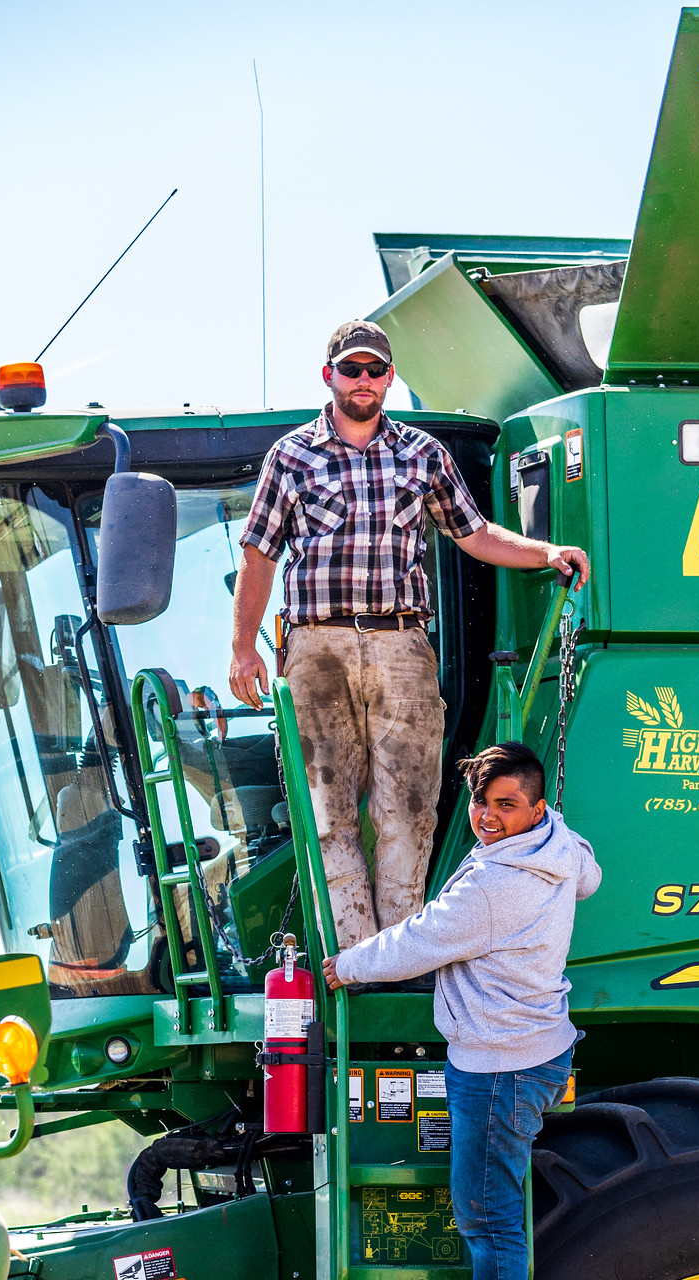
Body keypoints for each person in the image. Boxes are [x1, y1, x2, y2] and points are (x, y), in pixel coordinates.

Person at [229, 320, 589, 948]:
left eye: (375, 370)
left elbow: (474, 534)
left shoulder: (422, 454)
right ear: (330, 376)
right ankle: (354, 960)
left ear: (390, 378)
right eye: (352, 370)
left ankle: (395, 954)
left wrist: (544, 551)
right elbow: (257, 554)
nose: (363, 380)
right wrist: (242, 648)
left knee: (408, 812)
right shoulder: (290, 456)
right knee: (326, 814)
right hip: (316, 647)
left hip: (402, 645)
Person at [322, 740, 600, 1280]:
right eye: (481, 802)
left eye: (505, 805)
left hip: (499, 1068)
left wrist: (344, 967)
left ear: (535, 805)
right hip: (535, 1049)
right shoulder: (561, 848)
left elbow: (416, 941)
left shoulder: (492, 888)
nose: (486, 817)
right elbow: (589, 877)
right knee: (492, 1215)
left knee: (488, 1220)